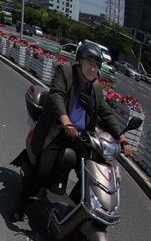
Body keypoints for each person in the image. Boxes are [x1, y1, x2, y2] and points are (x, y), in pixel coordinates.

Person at [11, 42, 132, 221]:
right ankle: (21, 204)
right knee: (42, 171)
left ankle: (73, 211)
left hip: (80, 137)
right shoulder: (65, 73)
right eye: (90, 63)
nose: (93, 69)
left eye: (96, 66)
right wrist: (66, 122)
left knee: (91, 175)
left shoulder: (96, 87)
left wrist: (122, 138)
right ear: (80, 61)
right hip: (57, 131)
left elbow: (105, 112)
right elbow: (56, 95)